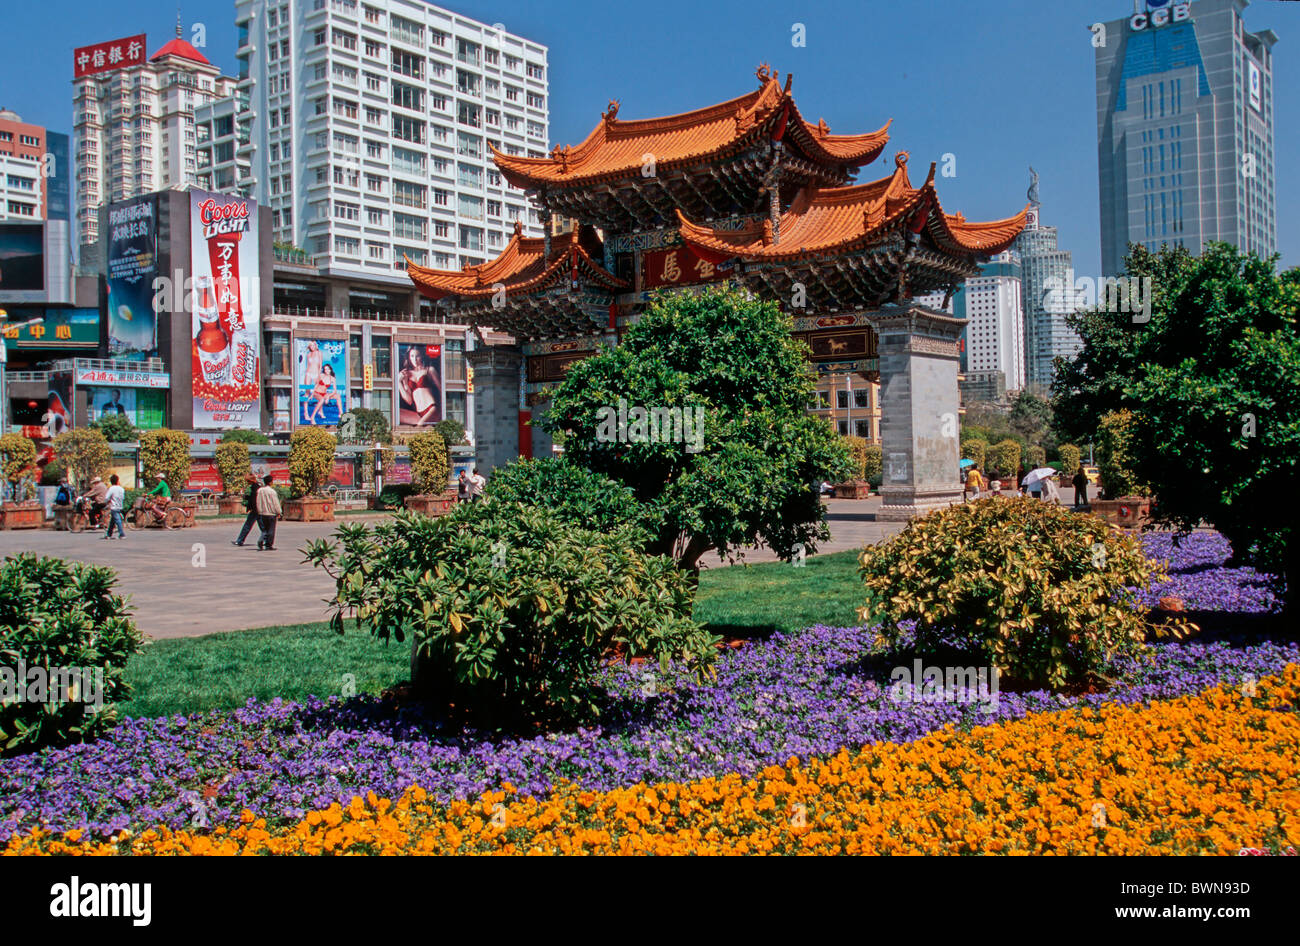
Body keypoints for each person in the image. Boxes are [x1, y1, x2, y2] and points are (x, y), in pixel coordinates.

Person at [397, 346, 442, 426]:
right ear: (409, 357)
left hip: (431, 408)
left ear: (422, 356)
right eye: (412, 356)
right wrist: (399, 383)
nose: (415, 359)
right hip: (419, 413)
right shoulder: (407, 374)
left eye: (417, 356)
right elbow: (409, 400)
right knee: (396, 414)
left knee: (419, 427)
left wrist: (443, 410)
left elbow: (441, 390)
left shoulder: (429, 370)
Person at [231, 473, 261, 547]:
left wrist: (250, 506)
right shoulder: (256, 487)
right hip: (258, 509)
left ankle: (240, 540)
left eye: (248, 481)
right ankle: (266, 540)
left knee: (248, 525)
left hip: (255, 510)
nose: (248, 483)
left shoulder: (255, 487)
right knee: (262, 527)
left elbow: (254, 499)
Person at [255, 474, 282, 550]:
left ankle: (262, 539)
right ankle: (268, 544)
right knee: (271, 530)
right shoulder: (272, 492)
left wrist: (259, 510)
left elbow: (258, 502)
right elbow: (275, 503)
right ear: (270, 482)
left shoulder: (260, 491)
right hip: (271, 513)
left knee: (265, 529)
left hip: (262, 513)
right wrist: (279, 511)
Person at [104, 474, 125, 540]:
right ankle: (109, 534)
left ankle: (122, 534)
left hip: (114, 506)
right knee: (112, 522)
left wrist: (107, 501)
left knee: (117, 520)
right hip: (120, 506)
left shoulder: (111, 488)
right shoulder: (121, 489)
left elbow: (107, 498)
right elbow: (123, 497)